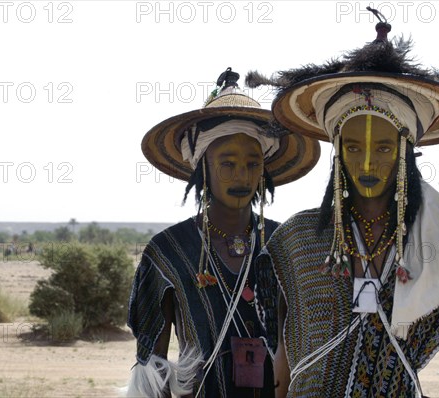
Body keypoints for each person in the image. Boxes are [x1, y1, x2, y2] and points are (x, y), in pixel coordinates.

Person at [247, 11, 439, 398]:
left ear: (406, 152)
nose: (368, 162)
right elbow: (284, 356)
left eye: (384, 147)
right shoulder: (297, 239)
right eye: (353, 147)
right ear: (338, 153)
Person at [126, 68, 320, 397]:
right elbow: (152, 363)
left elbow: (305, 344)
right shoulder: (169, 251)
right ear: (203, 167)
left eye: (252, 163)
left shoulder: (286, 245)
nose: (241, 175)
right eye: (227, 164)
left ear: (264, 169)